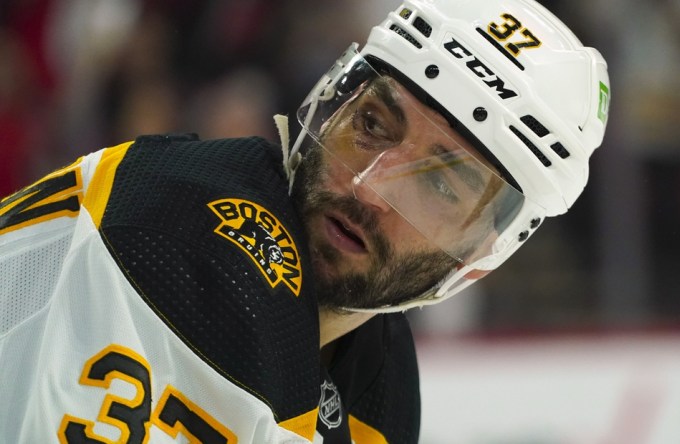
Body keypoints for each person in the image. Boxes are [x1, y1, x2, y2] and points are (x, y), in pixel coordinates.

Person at [0, 0, 609, 442]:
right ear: (329, 101)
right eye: (372, 125)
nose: (366, 187)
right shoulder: (189, 228)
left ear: (483, 257)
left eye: (436, 183)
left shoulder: (378, 380)